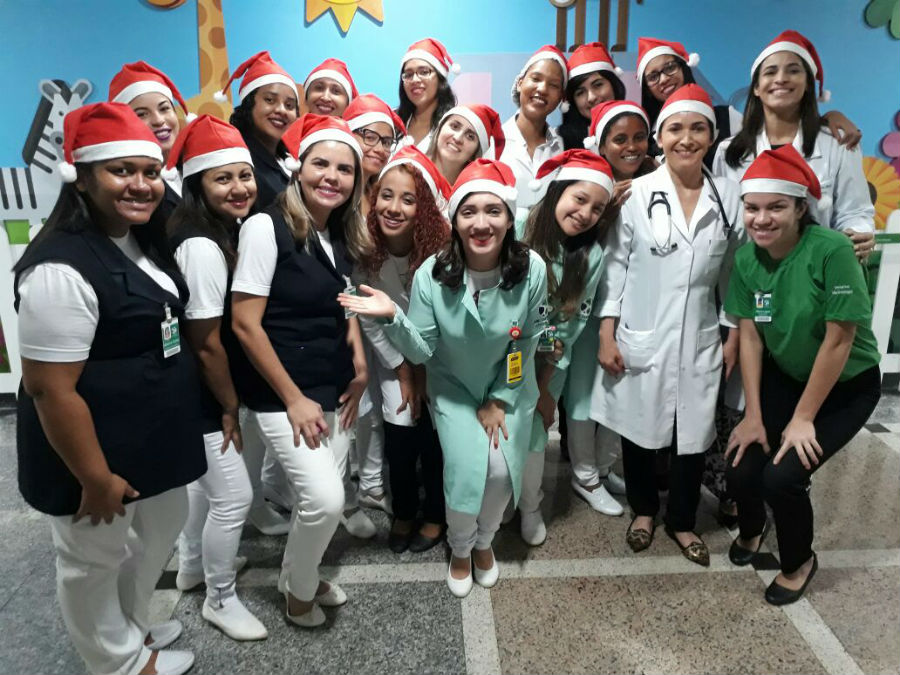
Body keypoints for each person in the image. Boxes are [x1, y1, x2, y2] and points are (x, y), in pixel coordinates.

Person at [14, 102, 208, 675]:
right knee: (92, 560)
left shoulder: (138, 239)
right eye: (121, 171)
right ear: (82, 178)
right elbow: (50, 391)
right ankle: (119, 662)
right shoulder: (59, 269)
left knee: (162, 526)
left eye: (150, 172)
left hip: (147, 437)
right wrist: (95, 479)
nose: (141, 185)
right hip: (93, 451)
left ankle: (133, 622)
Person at [339, 159, 547, 597]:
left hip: (509, 386)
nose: (481, 223)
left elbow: (527, 338)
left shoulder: (532, 269)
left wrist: (500, 398)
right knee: (466, 472)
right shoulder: (433, 273)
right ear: (454, 220)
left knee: (501, 473)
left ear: (510, 218)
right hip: (453, 387)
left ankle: (484, 542)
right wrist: (393, 317)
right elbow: (421, 350)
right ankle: (460, 547)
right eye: (469, 212)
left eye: (493, 211)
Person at [591, 85, 743, 566]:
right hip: (642, 331)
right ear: (661, 137)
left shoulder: (728, 196)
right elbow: (615, 267)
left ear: (711, 136)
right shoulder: (637, 194)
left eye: (698, 128)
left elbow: (735, 272)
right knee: (639, 430)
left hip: (701, 336)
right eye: (675, 128)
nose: (686, 138)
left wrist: (733, 331)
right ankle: (643, 511)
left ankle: (682, 520)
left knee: (692, 435)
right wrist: (606, 332)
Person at [723, 144, 881, 604]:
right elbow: (751, 337)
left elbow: (839, 340)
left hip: (846, 386)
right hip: (786, 377)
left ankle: (799, 562)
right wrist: (754, 415)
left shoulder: (831, 250)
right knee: (741, 463)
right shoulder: (748, 259)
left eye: (776, 207)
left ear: (800, 208)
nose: (761, 219)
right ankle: (752, 528)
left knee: (782, 478)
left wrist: (803, 418)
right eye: (752, 208)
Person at [230, 114, 368, 627]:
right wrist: (292, 398)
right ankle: (300, 594)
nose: (332, 177)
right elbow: (245, 324)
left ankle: (297, 574)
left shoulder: (337, 233)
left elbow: (343, 302)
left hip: (333, 385)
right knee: (326, 500)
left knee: (324, 498)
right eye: (321, 165)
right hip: (285, 392)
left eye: (344, 169)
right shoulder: (265, 227)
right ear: (298, 168)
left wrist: (359, 362)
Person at [165, 115, 268, 641]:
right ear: (197, 184)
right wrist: (229, 405)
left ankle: (191, 566)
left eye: (244, 176)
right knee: (233, 497)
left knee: (202, 487)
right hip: (200, 393)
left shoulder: (214, 231)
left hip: (193, 390)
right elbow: (206, 343)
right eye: (222, 178)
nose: (238, 187)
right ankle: (220, 598)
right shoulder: (203, 247)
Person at [515, 150, 622, 547]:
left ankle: (530, 505)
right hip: (502, 356)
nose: (585, 213)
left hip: (550, 361)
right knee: (500, 428)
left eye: (597, 208)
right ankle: (500, 500)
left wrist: (543, 385)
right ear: (557, 190)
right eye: (579, 199)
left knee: (536, 432)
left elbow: (571, 325)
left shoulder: (590, 255)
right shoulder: (517, 227)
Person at [354, 146, 452, 552]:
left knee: (434, 440)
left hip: (440, 360)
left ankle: (436, 515)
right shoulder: (365, 248)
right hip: (393, 361)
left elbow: (446, 321)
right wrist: (403, 369)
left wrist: (424, 369)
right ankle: (405, 511)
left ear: (423, 208)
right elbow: (367, 317)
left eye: (408, 199)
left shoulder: (443, 253)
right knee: (399, 437)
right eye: (386, 195)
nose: (394, 208)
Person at [713, 29, 876, 261]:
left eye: (793, 71)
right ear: (756, 88)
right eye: (770, 72)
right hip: (749, 273)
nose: (781, 79)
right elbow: (724, 220)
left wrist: (857, 234)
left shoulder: (837, 144)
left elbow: (855, 212)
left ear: (808, 83)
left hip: (816, 271)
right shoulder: (729, 152)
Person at [636, 36, 861, 166]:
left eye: (670, 67)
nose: (664, 79)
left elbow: (775, 129)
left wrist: (827, 118)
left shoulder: (726, 118)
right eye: (653, 76)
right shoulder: (644, 136)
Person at [108, 61, 196, 220]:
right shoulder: (129, 188)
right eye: (141, 114)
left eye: (164, 108)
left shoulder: (196, 168)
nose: (158, 120)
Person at [220, 51, 300, 209]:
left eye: (289, 105)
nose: (281, 110)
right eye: (270, 100)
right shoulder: (238, 160)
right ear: (249, 105)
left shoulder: (287, 158)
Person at [499, 45, 567, 226]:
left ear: (561, 97)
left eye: (553, 85)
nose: (542, 89)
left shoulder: (565, 147)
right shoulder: (492, 141)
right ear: (520, 83)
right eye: (536, 78)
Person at [344, 93, 407, 216]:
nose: (380, 149)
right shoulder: (335, 191)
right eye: (370, 137)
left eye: (386, 142)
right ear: (349, 135)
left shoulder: (381, 199)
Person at [558, 42, 626, 151]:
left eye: (598, 85)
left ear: (614, 85)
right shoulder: (560, 143)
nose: (591, 97)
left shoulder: (638, 128)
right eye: (580, 93)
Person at [396, 38, 459, 152]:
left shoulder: (455, 127)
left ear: (440, 79)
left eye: (424, 72)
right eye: (408, 75)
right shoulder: (393, 121)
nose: (415, 80)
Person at [427, 103, 505, 185]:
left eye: (470, 136)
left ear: (475, 153)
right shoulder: (417, 167)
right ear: (440, 128)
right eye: (454, 126)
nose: (457, 138)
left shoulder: (474, 192)